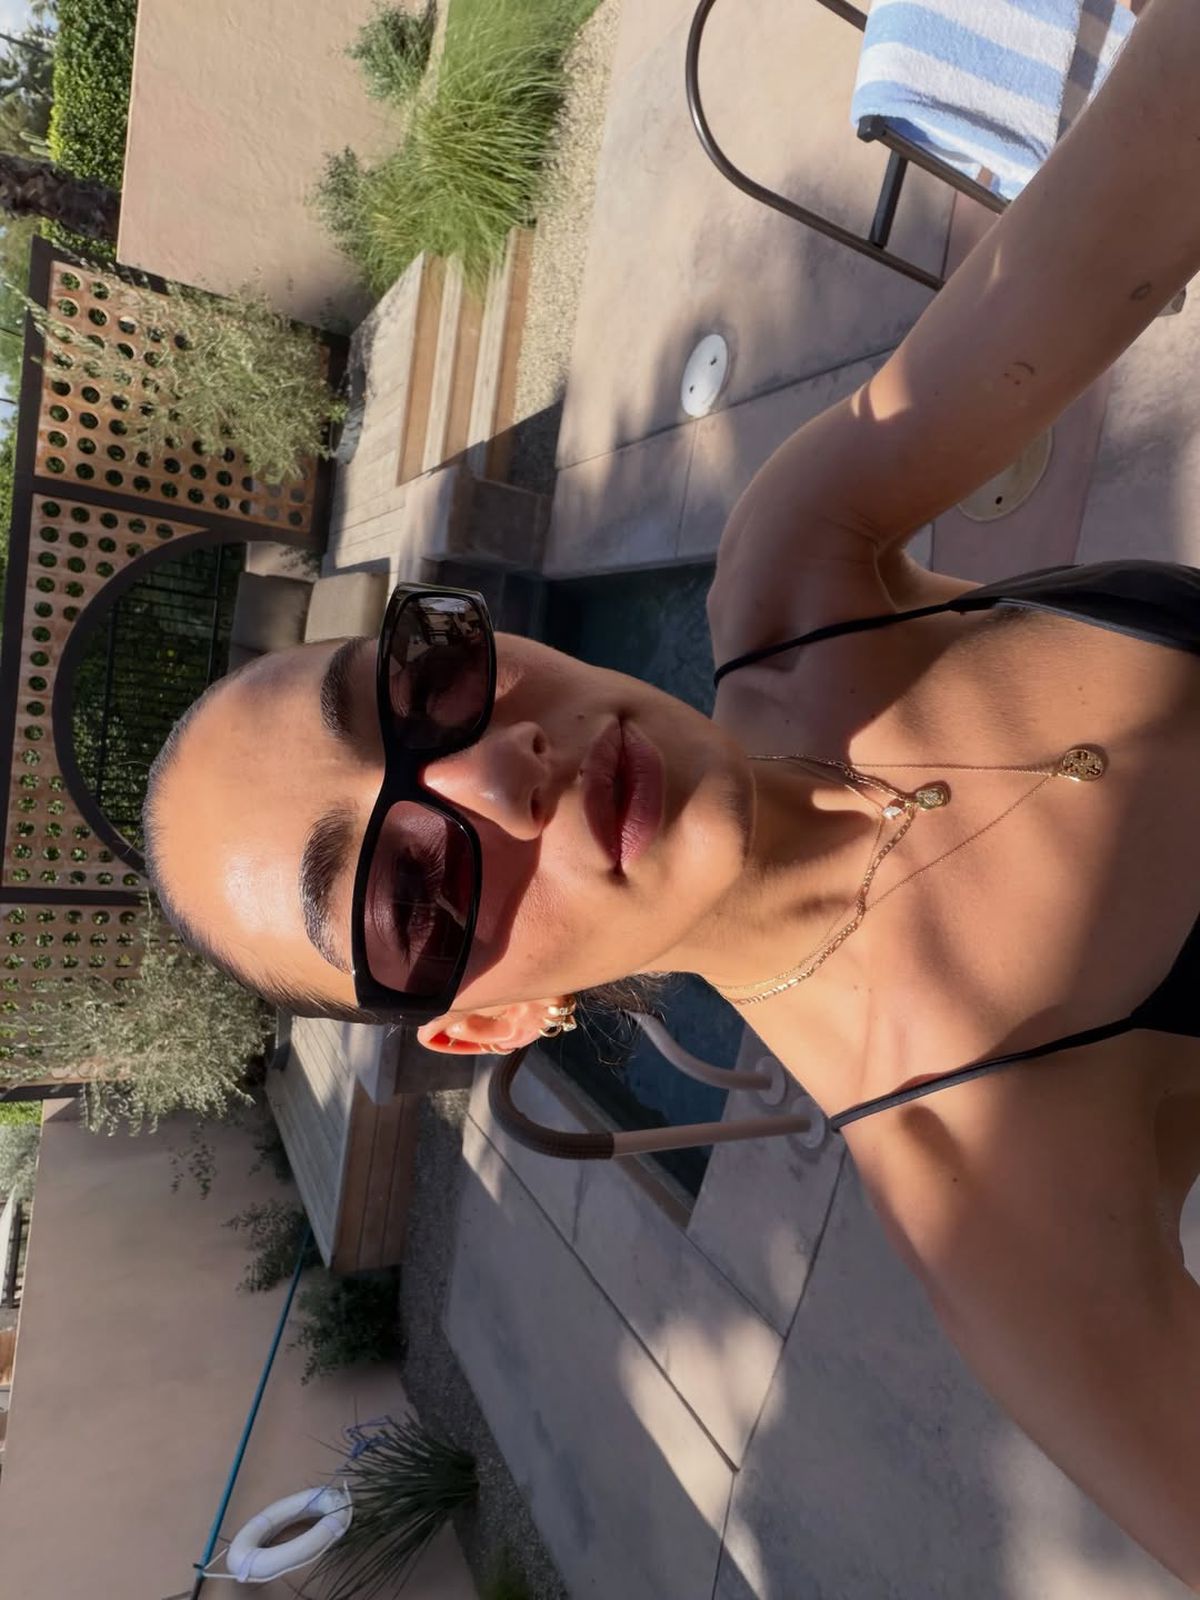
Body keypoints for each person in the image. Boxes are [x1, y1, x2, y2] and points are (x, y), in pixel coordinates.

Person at [144, 0, 1200, 1584]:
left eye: (419, 681)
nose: (501, 767)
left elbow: (1151, 159)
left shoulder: (803, 569)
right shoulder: (990, 1202)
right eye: (410, 892)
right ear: (486, 1024)